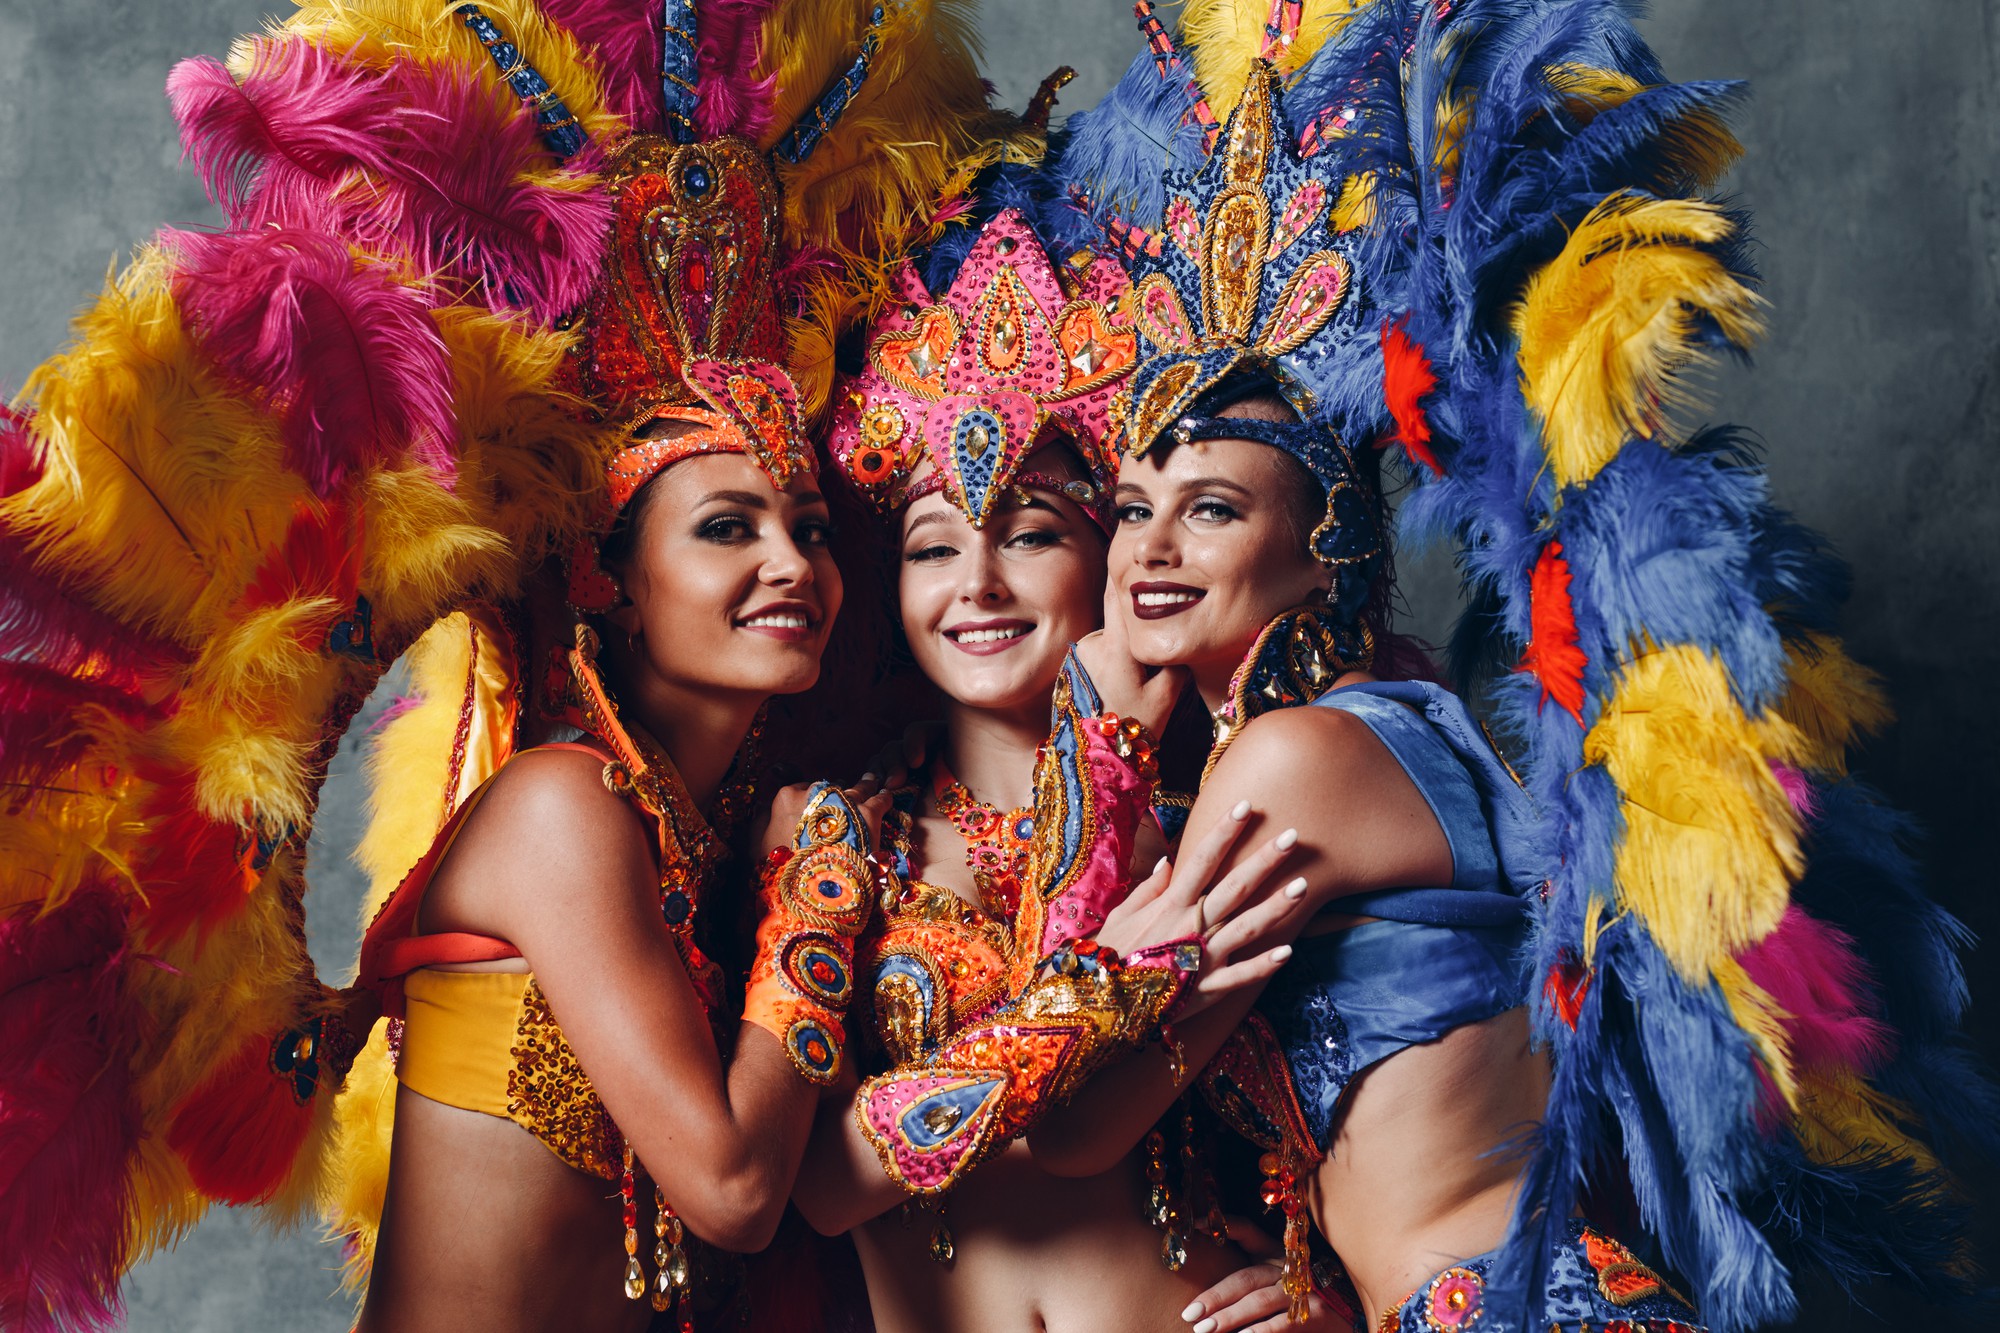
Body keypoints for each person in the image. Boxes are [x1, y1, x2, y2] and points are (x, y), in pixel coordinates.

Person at [0, 2, 1026, 1329]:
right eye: (727, 529)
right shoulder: (562, 808)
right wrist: (824, 887)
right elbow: (729, 1186)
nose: (791, 564)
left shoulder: (702, 843)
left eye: (809, 527)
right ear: (619, 584)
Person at [1016, 3, 1992, 1332]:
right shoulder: (1405, 731)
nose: (1150, 550)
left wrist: (1096, 721)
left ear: (1322, 556)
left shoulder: (1291, 761)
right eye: (1132, 507)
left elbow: (1073, 1130)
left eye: (1215, 509)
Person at [789, 196, 1318, 1333]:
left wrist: (1328, 1287)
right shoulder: (833, 837)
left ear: (1115, 560)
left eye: (1029, 534)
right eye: (933, 547)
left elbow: (1362, 1099)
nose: (975, 585)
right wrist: (1098, 987)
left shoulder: (1216, 814)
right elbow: (823, 1183)